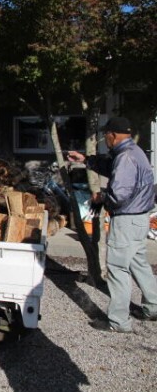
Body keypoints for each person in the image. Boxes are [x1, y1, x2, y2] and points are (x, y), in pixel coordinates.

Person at [67, 116, 157, 332]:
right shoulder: (134, 152)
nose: (104, 138)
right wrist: (86, 159)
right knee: (138, 263)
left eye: (105, 135)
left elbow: (120, 194)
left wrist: (102, 198)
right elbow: (110, 166)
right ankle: (153, 307)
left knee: (117, 268)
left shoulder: (125, 157)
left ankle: (118, 321)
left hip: (126, 220)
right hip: (139, 218)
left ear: (112, 135)